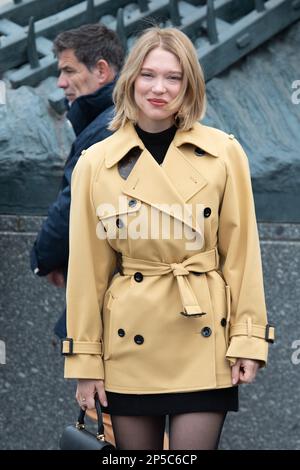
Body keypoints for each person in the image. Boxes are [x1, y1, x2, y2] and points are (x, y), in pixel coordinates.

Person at [62, 27, 275, 450]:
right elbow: (87, 272)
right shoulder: (97, 162)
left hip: (202, 336)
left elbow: (242, 256)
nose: (159, 88)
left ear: (189, 84)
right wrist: (85, 361)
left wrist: (249, 338)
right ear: (131, 81)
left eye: (174, 77)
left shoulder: (223, 153)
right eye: (148, 75)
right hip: (128, 344)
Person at [30, 23, 124, 446]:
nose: (61, 82)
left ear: (101, 71)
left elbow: (72, 206)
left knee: (113, 429)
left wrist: (43, 257)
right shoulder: (108, 119)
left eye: (69, 71)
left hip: (108, 314)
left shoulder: (105, 128)